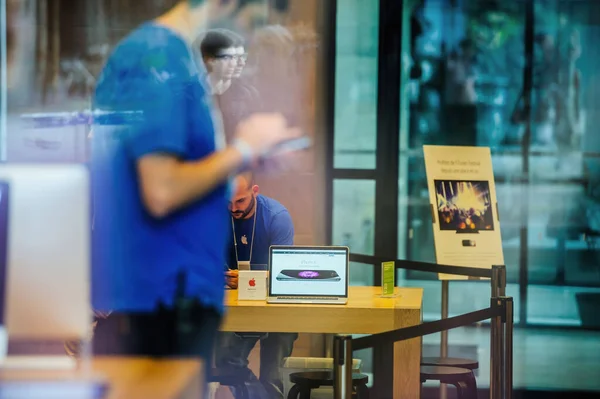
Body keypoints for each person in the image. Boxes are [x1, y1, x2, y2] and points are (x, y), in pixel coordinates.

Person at [90, 0, 300, 386]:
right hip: (162, 294)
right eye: (251, 22)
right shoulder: (156, 59)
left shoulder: (179, 65)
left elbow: (180, 177)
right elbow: (162, 188)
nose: (249, 39)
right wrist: (244, 149)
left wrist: (245, 162)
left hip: (181, 294)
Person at [216, 172, 298, 399]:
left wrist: (245, 279)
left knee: (272, 376)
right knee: (226, 363)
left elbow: (285, 274)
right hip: (243, 307)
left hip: (278, 308)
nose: (233, 208)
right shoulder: (219, 217)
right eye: (229, 202)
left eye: (240, 201)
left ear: (255, 191)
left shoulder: (276, 217)